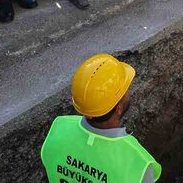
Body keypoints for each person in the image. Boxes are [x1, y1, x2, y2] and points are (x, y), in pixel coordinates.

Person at [40, 54, 161, 183]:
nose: (127, 91)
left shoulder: (59, 129)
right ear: (118, 109)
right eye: (124, 90)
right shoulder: (137, 163)